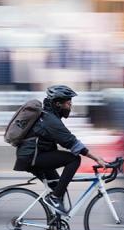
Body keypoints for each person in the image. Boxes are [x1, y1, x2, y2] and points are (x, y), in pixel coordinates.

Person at [13, 85, 107, 216]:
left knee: (58, 187)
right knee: (74, 159)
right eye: (68, 102)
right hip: (32, 157)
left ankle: (55, 228)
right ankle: (55, 199)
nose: (70, 105)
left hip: (35, 156)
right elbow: (70, 142)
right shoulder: (49, 119)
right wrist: (96, 158)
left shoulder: (49, 117)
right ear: (58, 103)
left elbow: (66, 140)